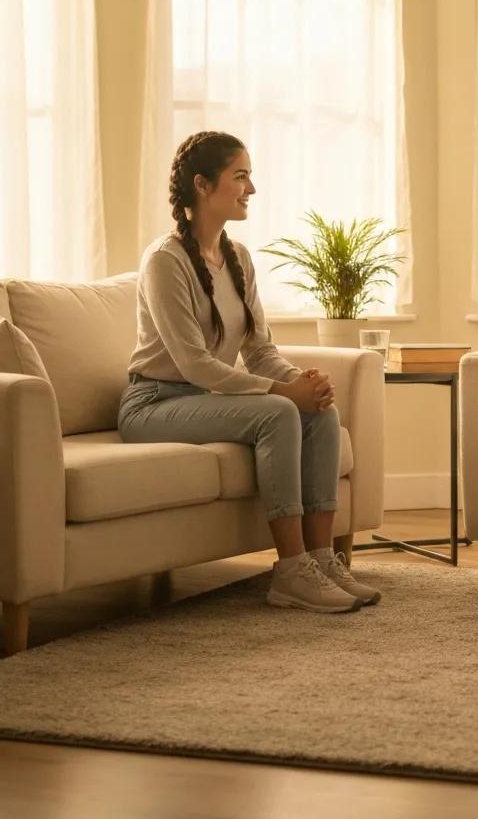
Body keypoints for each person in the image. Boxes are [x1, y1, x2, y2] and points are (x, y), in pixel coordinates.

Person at [119, 131, 380, 614]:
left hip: (204, 399)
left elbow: (260, 350)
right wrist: (284, 392)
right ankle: (291, 572)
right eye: (240, 176)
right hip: (154, 403)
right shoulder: (164, 261)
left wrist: (305, 382)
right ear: (202, 184)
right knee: (278, 412)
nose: (251, 189)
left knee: (320, 413)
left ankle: (322, 560)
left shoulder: (238, 258)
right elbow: (193, 362)